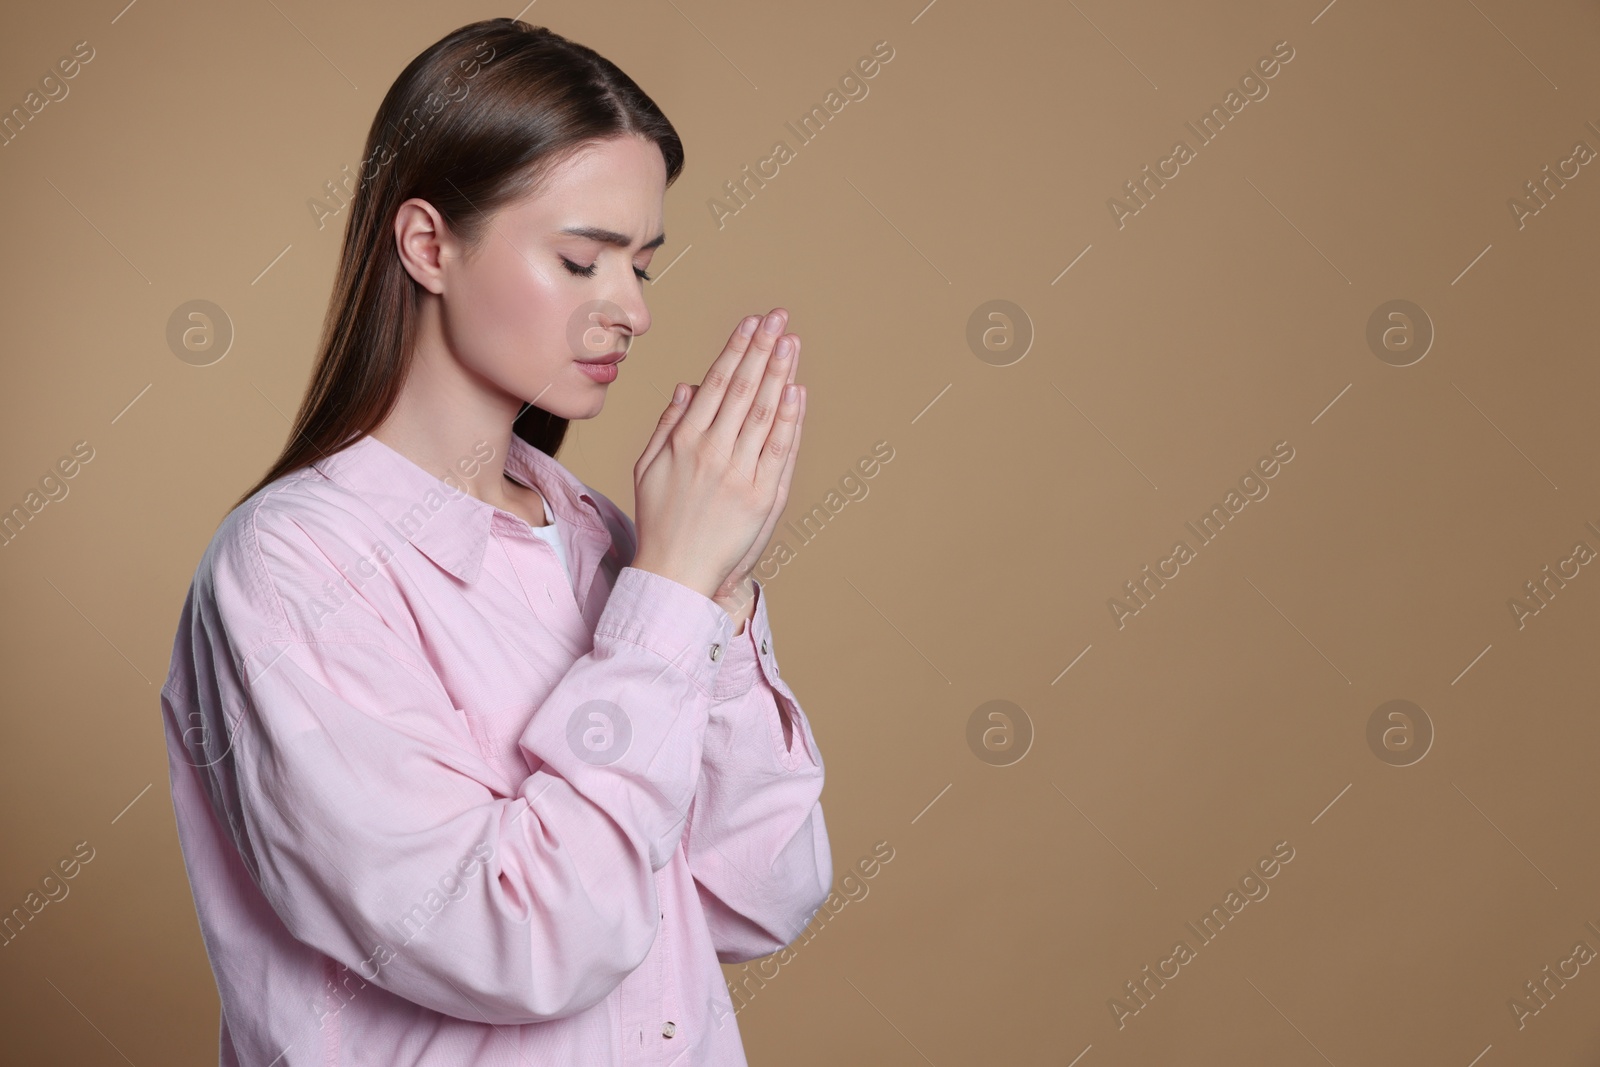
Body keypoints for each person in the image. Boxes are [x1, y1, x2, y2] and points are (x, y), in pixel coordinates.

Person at [158, 18, 829, 1066]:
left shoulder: (613, 542)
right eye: (580, 259)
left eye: (642, 267)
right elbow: (519, 939)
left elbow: (759, 896)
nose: (631, 310)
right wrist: (669, 593)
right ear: (429, 244)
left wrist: (715, 591)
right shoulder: (293, 569)